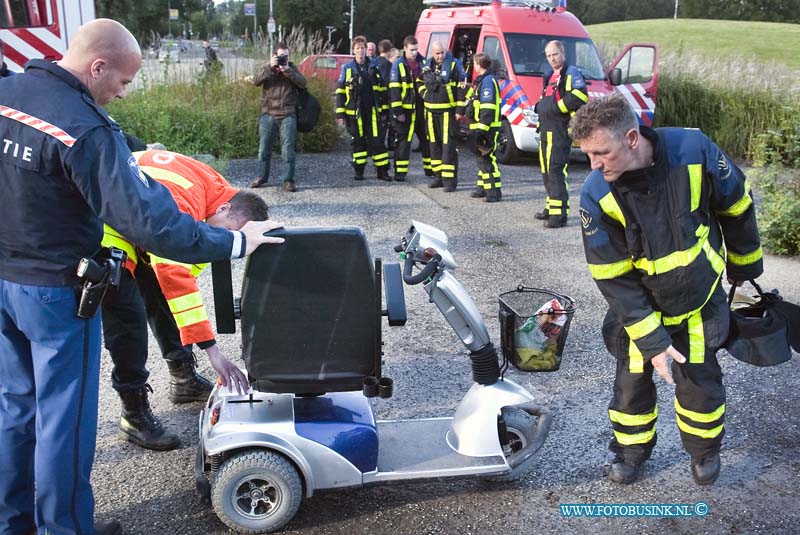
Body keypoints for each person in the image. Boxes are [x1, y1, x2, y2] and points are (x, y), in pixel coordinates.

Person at [0, 19, 283, 535]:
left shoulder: (6, 93)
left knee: (15, 412)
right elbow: (156, 226)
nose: (122, 94)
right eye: (124, 82)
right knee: (64, 423)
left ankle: (12, 524)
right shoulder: (84, 127)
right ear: (98, 66)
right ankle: (65, 530)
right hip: (56, 294)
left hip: (5, 282)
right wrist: (236, 242)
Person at [574, 94, 763, 486]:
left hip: (699, 298)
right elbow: (612, 277)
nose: (593, 164)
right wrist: (654, 342)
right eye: (587, 154)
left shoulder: (693, 150)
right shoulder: (596, 194)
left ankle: (705, 454)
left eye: (600, 152)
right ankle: (629, 454)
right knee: (631, 389)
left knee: (701, 384)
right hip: (642, 307)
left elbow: (737, 207)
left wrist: (744, 268)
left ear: (630, 138)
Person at [101, 145, 270, 451]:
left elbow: (181, 276)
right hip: (107, 231)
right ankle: (134, 415)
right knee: (127, 322)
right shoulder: (186, 203)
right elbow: (175, 274)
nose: (224, 239)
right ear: (225, 210)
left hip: (139, 222)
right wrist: (212, 349)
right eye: (229, 232)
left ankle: (182, 378)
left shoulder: (215, 190)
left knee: (163, 297)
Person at [533, 40, 588, 228]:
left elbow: (580, 96)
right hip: (546, 131)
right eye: (548, 56)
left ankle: (559, 215)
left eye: (554, 54)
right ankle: (551, 207)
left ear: (562, 53)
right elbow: (544, 98)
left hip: (560, 131)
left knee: (556, 171)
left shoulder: (571, 72)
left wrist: (556, 108)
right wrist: (540, 107)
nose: (552, 59)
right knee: (546, 172)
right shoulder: (550, 76)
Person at [249, 41, 307, 192]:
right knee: (263, 150)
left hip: (287, 114)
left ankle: (288, 180)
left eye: (286, 56)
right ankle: (262, 176)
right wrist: (270, 67)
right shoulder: (267, 67)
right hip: (268, 114)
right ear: (274, 55)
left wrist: (287, 70)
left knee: (287, 150)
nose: (283, 59)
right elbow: (256, 81)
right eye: (281, 56)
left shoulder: (291, 68)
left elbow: (303, 83)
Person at [336, 35, 391, 181]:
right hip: (354, 112)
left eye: (363, 48)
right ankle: (359, 171)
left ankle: (382, 171)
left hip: (372, 111)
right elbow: (340, 92)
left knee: (377, 141)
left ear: (367, 50)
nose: (360, 51)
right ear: (353, 51)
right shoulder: (347, 69)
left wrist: (384, 110)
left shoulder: (374, 67)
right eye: (358, 48)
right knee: (358, 142)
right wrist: (340, 114)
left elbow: (382, 91)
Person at [418, 41, 467, 191]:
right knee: (434, 146)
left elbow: (462, 88)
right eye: (437, 54)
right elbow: (419, 82)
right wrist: (425, 95)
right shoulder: (427, 65)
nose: (440, 56)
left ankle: (450, 181)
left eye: (442, 53)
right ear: (432, 54)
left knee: (449, 147)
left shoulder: (454, 65)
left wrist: (459, 110)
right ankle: (438, 177)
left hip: (448, 113)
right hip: (430, 112)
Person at [389, 35, 432, 181]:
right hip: (405, 111)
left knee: (426, 140)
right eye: (411, 50)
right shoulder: (398, 64)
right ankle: (400, 173)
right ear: (405, 49)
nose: (414, 53)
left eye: (416, 49)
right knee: (403, 142)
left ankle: (430, 170)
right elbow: (394, 90)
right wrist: (398, 111)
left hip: (422, 108)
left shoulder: (424, 62)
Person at [464, 53, 502, 202]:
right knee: (481, 159)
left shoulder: (487, 81)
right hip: (480, 126)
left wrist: (482, 129)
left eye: (474, 63)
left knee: (486, 159)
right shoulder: (482, 81)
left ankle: (493, 192)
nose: (474, 66)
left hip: (486, 128)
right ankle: (482, 188)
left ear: (479, 65)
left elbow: (488, 107)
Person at [374, 39, 396, 152]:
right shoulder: (387, 64)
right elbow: (388, 83)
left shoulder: (374, 61)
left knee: (376, 125)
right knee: (385, 125)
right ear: (389, 51)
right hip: (385, 100)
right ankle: (386, 147)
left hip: (375, 99)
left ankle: (375, 145)